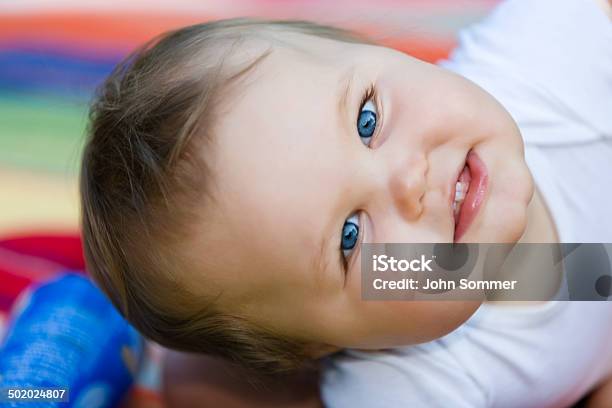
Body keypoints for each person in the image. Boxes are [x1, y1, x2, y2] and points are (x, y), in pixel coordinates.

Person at [80, 0, 612, 405]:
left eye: (367, 119)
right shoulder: (409, 387)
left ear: (371, 47)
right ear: (323, 343)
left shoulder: (552, 48)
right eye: (350, 236)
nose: (408, 180)